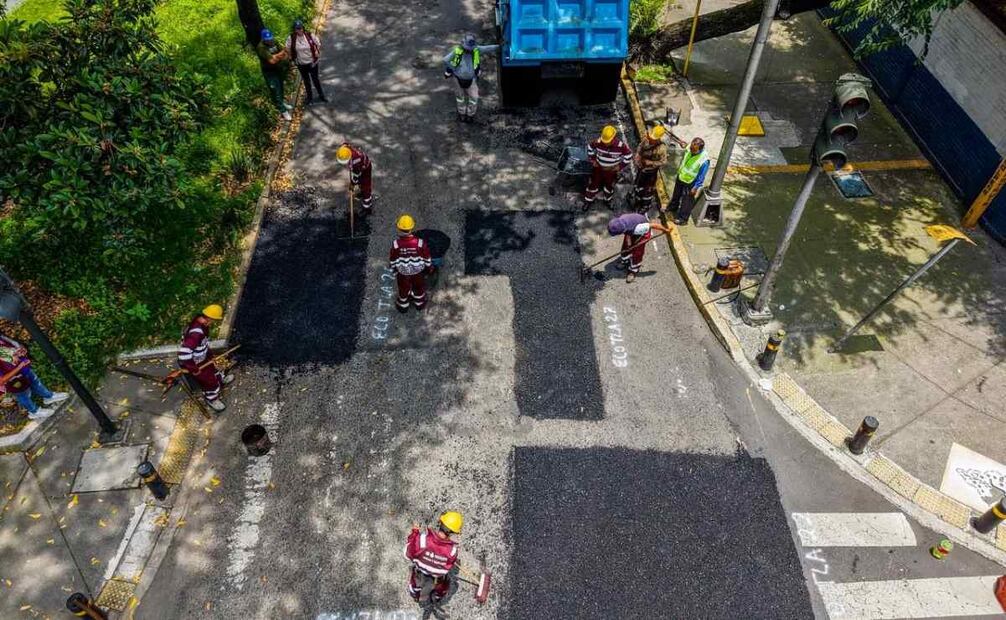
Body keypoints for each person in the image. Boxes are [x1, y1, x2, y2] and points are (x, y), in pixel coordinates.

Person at [404, 511, 464, 616]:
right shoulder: (453, 551)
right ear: (452, 533)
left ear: (440, 523)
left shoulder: (422, 540)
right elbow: (449, 565)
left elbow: (407, 553)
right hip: (437, 580)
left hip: (420, 574)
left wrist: (414, 533)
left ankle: (416, 596)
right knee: (443, 587)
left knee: (414, 585)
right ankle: (436, 598)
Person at [177, 305, 234, 412]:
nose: (214, 322)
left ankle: (221, 381)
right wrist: (195, 369)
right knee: (209, 382)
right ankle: (212, 399)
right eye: (215, 319)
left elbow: (203, 344)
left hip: (202, 358)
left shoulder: (203, 324)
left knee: (215, 370)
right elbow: (183, 354)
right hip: (195, 363)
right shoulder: (195, 333)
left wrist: (209, 356)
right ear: (209, 317)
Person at [0, 333, 68, 421]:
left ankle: (48, 397)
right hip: (13, 381)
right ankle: (34, 412)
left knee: (36, 383)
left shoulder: (1, 338)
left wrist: (20, 350)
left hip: (24, 369)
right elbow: (1, 381)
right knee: (23, 396)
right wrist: (19, 367)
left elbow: (11, 349)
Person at [442, 33, 499, 122]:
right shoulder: (457, 51)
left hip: (472, 80)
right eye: (467, 48)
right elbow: (445, 60)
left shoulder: (477, 50)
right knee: (460, 98)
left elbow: (488, 48)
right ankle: (462, 114)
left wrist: (499, 46)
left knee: (474, 98)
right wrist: (453, 69)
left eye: (470, 48)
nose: (469, 50)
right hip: (457, 79)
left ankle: (470, 115)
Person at [608, 213, 672, 283]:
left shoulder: (640, 228)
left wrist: (665, 230)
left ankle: (633, 270)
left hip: (642, 234)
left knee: (637, 253)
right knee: (626, 247)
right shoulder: (620, 221)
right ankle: (625, 261)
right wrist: (629, 245)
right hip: (631, 231)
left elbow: (653, 225)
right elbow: (628, 233)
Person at [390, 215, 433, 312]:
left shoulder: (396, 244)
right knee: (419, 288)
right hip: (418, 272)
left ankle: (403, 306)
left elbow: (393, 259)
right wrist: (429, 268)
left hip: (403, 273)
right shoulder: (420, 243)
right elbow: (427, 258)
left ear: (399, 228)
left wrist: (394, 271)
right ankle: (419, 304)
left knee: (403, 289)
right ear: (412, 227)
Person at [584, 125, 632, 211]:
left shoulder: (621, 146)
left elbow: (628, 155)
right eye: (604, 141)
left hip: (611, 171)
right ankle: (588, 200)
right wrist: (593, 160)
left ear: (614, 138)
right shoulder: (598, 142)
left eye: (608, 141)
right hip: (598, 169)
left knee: (609, 186)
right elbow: (590, 148)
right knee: (593, 184)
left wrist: (620, 166)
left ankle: (608, 200)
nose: (606, 143)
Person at [664, 137, 709, 225]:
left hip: (690, 182)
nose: (691, 151)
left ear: (700, 149)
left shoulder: (704, 160)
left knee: (687, 201)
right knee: (676, 194)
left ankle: (683, 219)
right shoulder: (690, 147)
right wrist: (684, 145)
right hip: (681, 176)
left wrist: (696, 187)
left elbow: (701, 176)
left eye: (694, 150)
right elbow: (687, 146)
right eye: (691, 148)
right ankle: (673, 207)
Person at [632, 124, 672, 212]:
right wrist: (637, 157)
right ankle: (637, 201)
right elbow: (639, 148)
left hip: (651, 173)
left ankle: (645, 206)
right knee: (638, 186)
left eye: (653, 139)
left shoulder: (662, 148)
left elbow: (663, 162)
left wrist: (651, 163)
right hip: (641, 169)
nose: (651, 140)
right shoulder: (646, 140)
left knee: (648, 191)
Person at [285, 20, 327, 105]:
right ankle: (310, 98)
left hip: (312, 62)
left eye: (300, 28)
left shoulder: (309, 35)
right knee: (306, 81)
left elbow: (318, 43)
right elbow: (287, 48)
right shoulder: (291, 38)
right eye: (297, 29)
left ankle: (321, 95)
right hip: (301, 64)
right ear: (294, 29)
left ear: (303, 28)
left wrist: (317, 51)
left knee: (315, 79)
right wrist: (291, 58)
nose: (299, 30)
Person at [256, 28, 293, 121]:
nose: (270, 41)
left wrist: (277, 56)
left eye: (270, 39)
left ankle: (282, 102)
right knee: (275, 90)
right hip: (269, 72)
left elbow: (285, 51)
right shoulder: (261, 47)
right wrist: (280, 55)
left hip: (279, 69)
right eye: (267, 40)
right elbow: (272, 61)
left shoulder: (274, 41)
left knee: (281, 87)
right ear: (263, 39)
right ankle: (283, 111)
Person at [335, 143, 374, 211]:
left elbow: (357, 175)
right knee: (360, 182)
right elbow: (345, 144)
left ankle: (367, 205)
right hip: (358, 167)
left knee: (365, 185)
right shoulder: (344, 149)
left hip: (365, 168)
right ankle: (362, 191)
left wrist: (352, 184)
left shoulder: (356, 160)